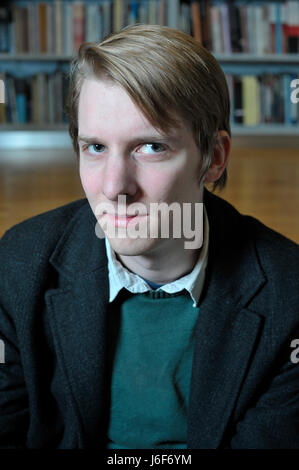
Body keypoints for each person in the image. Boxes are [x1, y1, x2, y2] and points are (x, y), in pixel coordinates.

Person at [0, 24, 298, 449]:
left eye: (151, 147)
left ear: (214, 159)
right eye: (96, 148)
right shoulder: (16, 267)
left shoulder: (289, 296)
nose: (115, 187)